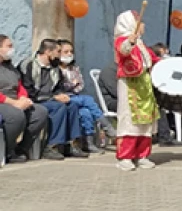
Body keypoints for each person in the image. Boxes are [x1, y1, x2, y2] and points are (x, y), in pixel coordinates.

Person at [20, 39, 87, 160]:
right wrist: (53, 97)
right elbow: (28, 90)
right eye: (58, 51)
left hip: (50, 98)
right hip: (35, 99)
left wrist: (62, 95)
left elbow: (58, 87)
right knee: (58, 107)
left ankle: (71, 144)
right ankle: (52, 146)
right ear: (48, 52)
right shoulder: (29, 65)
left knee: (72, 105)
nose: (59, 55)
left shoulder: (55, 68)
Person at [112, 10, 160, 171]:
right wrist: (129, 42)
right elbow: (123, 51)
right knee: (129, 121)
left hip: (144, 84)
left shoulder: (141, 43)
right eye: (140, 22)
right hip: (130, 84)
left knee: (145, 121)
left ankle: (142, 155)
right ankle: (125, 156)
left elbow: (152, 59)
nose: (143, 25)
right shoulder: (122, 40)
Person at [56, 38, 111, 153]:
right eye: (66, 52)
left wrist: (72, 85)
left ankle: (88, 143)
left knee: (86, 112)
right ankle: (107, 126)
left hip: (75, 97)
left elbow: (81, 85)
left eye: (71, 51)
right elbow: (62, 86)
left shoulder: (74, 68)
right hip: (64, 98)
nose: (69, 54)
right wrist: (72, 85)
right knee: (88, 100)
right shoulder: (56, 70)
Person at [0, 34, 48, 163]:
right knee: (15, 116)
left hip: (14, 101)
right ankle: (7, 150)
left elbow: (20, 86)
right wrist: (13, 103)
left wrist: (23, 98)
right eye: (9, 46)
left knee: (39, 112)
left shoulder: (10, 68)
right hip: (4, 102)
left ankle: (21, 148)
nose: (12, 49)